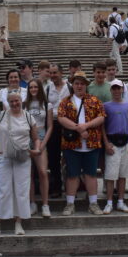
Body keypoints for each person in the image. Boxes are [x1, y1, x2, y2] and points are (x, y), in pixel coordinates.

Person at [0, 91, 39, 236]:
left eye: (17, 100)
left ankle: (18, 222)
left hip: (23, 158)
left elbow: (35, 138)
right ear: (8, 102)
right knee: (2, 189)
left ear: (21, 100)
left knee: (22, 190)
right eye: (12, 101)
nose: (15, 103)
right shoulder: (1, 116)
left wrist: (36, 149)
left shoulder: (28, 117)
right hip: (4, 157)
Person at [57, 71, 106, 216]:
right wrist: (78, 128)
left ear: (86, 85)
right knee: (72, 175)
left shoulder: (95, 100)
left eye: (82, 83)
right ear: (72, 85)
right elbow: (61, 118)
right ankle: (70, 204)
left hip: (91, 143)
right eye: (76, 83)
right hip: (72, 145)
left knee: (91, 175)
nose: (79, 86)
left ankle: (93, 203)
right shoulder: (65, 101)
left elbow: (102, 117)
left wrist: (86, 126)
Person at [103, 79, 128, 214]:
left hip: (126, 141)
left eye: (119, 88)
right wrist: (106, 143)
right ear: (111, 90)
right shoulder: (106, 106)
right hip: (112, 142)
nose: (116, 91)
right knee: (111, 175)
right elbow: (102, 126)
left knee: (123, 174)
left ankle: (121, 201)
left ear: (122, 90)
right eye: (114, 88)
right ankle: (109, 202)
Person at [25, 79, 52, 218]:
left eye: (35, 87)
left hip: (41, 136)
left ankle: (45, 204)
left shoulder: (47, 104)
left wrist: (43, 143)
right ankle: (32, 203)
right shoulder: (25, 104)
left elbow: (50, 126)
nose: (33, 89)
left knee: (42, 172)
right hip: (27, 136)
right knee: (29, 173)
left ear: (40, 88)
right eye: (31, 87)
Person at [45, 63, 70, 197]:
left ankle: (71, 186)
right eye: (51, 73)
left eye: (55, 72)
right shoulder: (47, 88)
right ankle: (56, 187)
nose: (53, 75)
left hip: (68, 124)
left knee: (69, 156)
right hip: (53, 123)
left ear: (61, 72)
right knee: (53, 157)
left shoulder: (69, 87)